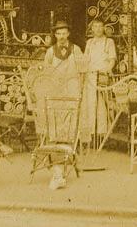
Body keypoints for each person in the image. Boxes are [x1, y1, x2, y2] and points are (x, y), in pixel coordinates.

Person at [42, 21, 86, 189]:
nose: (61, 36)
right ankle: (57, 162)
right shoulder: (49, 52)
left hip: (72, 91)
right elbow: (46, 73)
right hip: (56, 92)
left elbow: (82, 72)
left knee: (71, 126)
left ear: (68, 34)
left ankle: (70, 158)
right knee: (56, 125)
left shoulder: (76, 50)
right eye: (58, 34)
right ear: (55, 35)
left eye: (63, 33)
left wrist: (80, 90)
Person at [83, 19, 118, 142]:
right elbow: (85, 59)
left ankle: (104, 133)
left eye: (100, 26)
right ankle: (91, 133)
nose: (97, 29)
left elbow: (112, 60)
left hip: (103, 76)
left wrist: (107, 70)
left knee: (103, 105)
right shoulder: (89, 42)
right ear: (91, 29)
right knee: (90, 104)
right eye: (95, 26)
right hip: (90, 77)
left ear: (104, 28)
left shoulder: (109, 42)